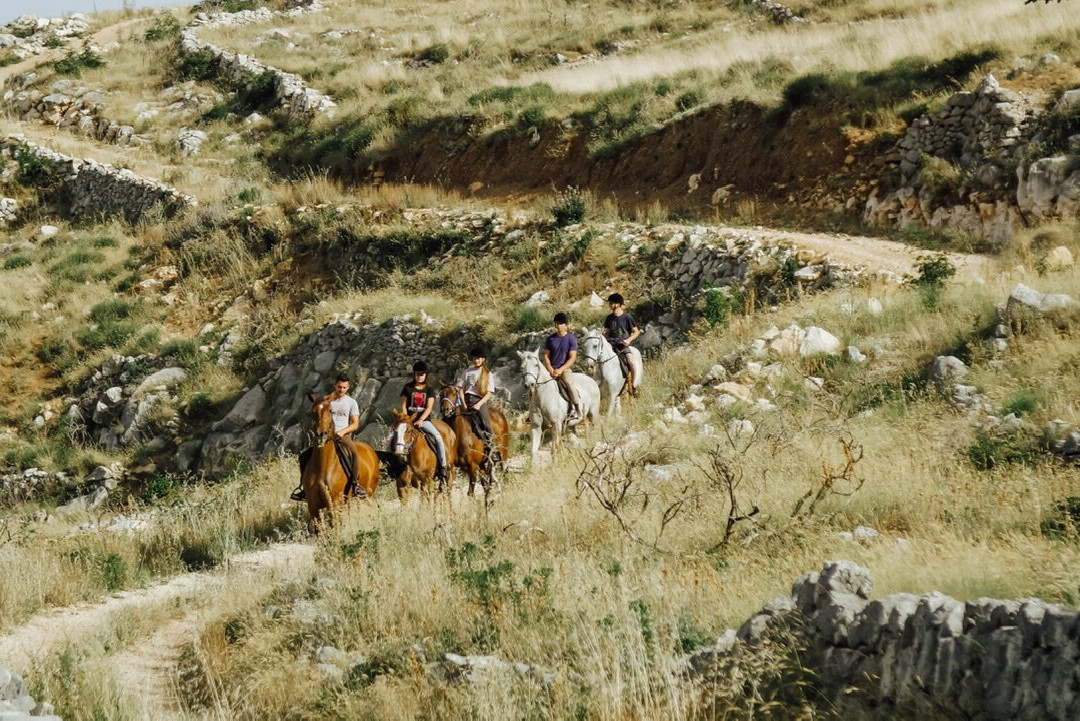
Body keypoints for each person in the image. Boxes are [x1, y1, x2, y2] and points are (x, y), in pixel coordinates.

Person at [291, 374, 363, 501]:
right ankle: (304, 488)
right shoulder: (326, 401)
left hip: (343, 435)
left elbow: (355, 424)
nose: (341, 390)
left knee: (354, 454)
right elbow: (316, 412)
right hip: (325, 435)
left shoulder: (352, 403)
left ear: (348, 387)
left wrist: (342, 432)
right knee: (304, 456)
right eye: (339, 387)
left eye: (344, 387)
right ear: (335, 385)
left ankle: (355, 485)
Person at [400, 360, 449, 482]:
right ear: (414, 375)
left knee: (438, 437)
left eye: (422, 374)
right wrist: (406, 420)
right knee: (395, 436)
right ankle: (393, 465)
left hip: (424, 420)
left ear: (425, 375)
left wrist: (421, 419)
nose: (419, 377)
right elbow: (404, 405)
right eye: (417, 374)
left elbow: (429, 408)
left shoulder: (429, 390)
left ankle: (443, 466)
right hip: (409, 420)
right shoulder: (407, 388)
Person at [457, 346, 498, 462]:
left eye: (479, 358)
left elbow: (489, 393)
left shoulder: (487, 374)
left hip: (479, 401)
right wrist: (463, 403)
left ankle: (492, 448)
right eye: (475, 358)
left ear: (483, 359)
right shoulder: (467, 372)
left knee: (486, 424)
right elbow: (460, 388)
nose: (476, 360)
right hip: (466, 400)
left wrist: (479, 404)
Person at [543, 311, 582, 419]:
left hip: (564, 369)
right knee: (537, 384)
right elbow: (546, 355)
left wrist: (560, 370)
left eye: (560, 323)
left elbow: (572, 357)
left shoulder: (571, 339)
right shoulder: (550, 339)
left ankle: (576, 408)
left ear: (566, 325)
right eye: (556, 323)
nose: (558, 326)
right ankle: (534, 410)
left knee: (569, 383)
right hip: (551, 369)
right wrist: (550, 369)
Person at [603, 292, 640, 394]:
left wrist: (628, 340)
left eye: (612, 303)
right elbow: (606, 332)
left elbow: (636, 332)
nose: (610, 305)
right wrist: (605, 337)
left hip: (623, 346)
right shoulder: (609, 318)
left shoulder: (627, 317)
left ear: (618, 304)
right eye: (610, 303)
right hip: (611, 345)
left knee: (631, 362)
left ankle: (633, 385)